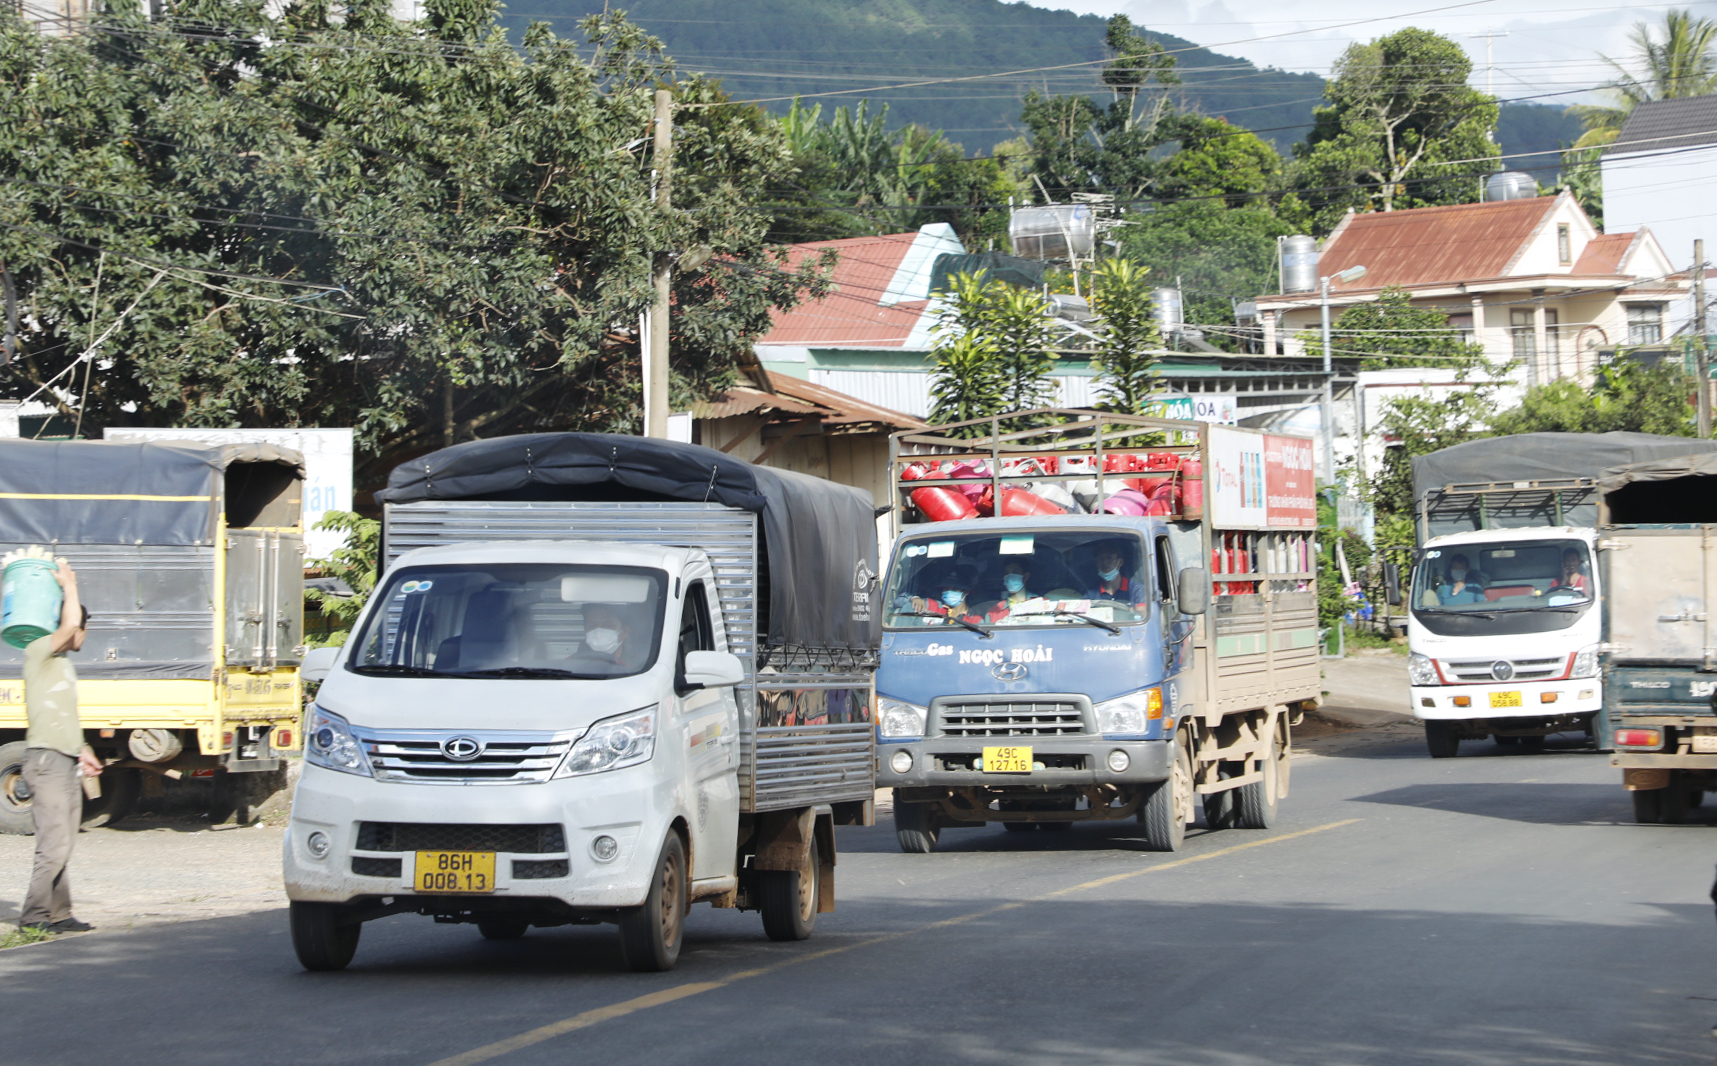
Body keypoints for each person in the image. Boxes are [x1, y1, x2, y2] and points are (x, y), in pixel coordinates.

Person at [20, 559, 99, 935]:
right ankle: (33, 917)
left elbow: (61, 713)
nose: (82, 637)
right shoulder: (40, 650)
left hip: (65, 759)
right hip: (47, 761)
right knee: (53, 843)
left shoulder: (62, 664)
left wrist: (83, 748)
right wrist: (69, 585)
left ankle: (59, 913)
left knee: (63, 840)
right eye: (83, 629)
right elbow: (68, 625)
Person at [1084, 544, 1148, 605]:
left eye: (1109, 558)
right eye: (1100, 559)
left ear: (1120, 562)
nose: (1104, 562)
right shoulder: (1091, 594)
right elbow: (1080, 613)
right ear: (1096, 563)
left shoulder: (1136, 590)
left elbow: (1143, 611)